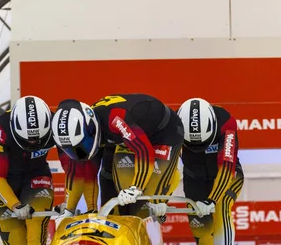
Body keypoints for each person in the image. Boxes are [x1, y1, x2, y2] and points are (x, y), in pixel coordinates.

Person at [51, 94, 184, 219]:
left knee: (145, 199)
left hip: (164, 132)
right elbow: (82, 173)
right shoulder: (90, 127)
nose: (79, 152)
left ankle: (164, 193)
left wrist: (135, 188)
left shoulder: (115, 119)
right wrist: (71, 210)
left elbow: (144, 150)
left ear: (90, 129)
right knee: (117, 187)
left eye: (80, 145)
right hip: (129, 135)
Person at [177, 98, 244, 245]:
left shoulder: (226, 123)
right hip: (194, 181)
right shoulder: (174, 127)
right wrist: (159, 202)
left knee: (222, 206)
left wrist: (212, 200)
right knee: (204, 239)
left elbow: (226, 168)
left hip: (226, 175)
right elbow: (167, 166)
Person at [0, 95, 54, 245]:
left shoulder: (54, 125)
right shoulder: (0, 128)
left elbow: (72, 163)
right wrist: (15, 205)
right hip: (6, 181)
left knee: (36, 236)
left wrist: (69, 198)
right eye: (29, 139)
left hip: (37, 176)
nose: (33, 143)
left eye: (38, 139)